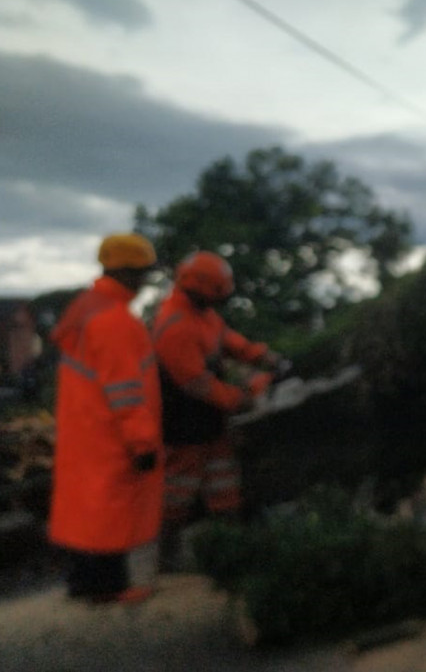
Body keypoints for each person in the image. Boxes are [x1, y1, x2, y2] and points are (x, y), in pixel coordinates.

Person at [48, 233, 163, 604]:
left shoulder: (85, 309)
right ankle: (107, 588)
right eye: (143, 273)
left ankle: (84, 583)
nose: (146, 281)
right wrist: (143, 442)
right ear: (130, 274)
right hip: (111, 432)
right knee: (110, 510)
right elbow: (126, 391)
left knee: (88, 508)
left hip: (86, 428)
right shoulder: (115, 322)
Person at [151, 251, 282, 570]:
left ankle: (232, 548)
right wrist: (241, 398)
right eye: (216, 292)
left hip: (211, 418)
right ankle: (167, 555)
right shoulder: (176, 325)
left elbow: (230, 341)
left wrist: (265, 358)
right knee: (178, 492)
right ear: (198, 287)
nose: (219, 299)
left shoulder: (203, 314)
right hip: (182, 421)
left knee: (224, 485)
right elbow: (196, 383)